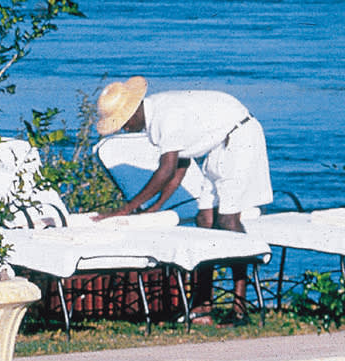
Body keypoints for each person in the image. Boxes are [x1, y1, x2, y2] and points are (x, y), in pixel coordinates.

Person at [94, 77, 274, 321]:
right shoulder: (155, 115)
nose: (124, 129)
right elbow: (180, 167)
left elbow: (166, 169)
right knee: (204, 220)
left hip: (240, 139)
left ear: (133, 111)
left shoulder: (165, 117)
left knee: (228, 222)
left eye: (123, 123)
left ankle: (240, 308)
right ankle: (202, 304)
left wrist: (126, 209)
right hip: (221, 144)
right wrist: (154, 208)